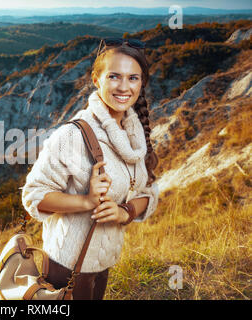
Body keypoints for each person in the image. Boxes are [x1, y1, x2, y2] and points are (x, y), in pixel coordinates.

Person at [21, 38, 160, 300]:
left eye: (133, 78)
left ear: (142, 84)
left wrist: (125, 212)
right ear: (97, 80)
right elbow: (33, 196)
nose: (123, 87)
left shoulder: (135, 136)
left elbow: (148, 191)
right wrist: (86, 201)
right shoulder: (72, 135)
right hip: (69, 265)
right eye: (114, 77)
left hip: (103, 260)